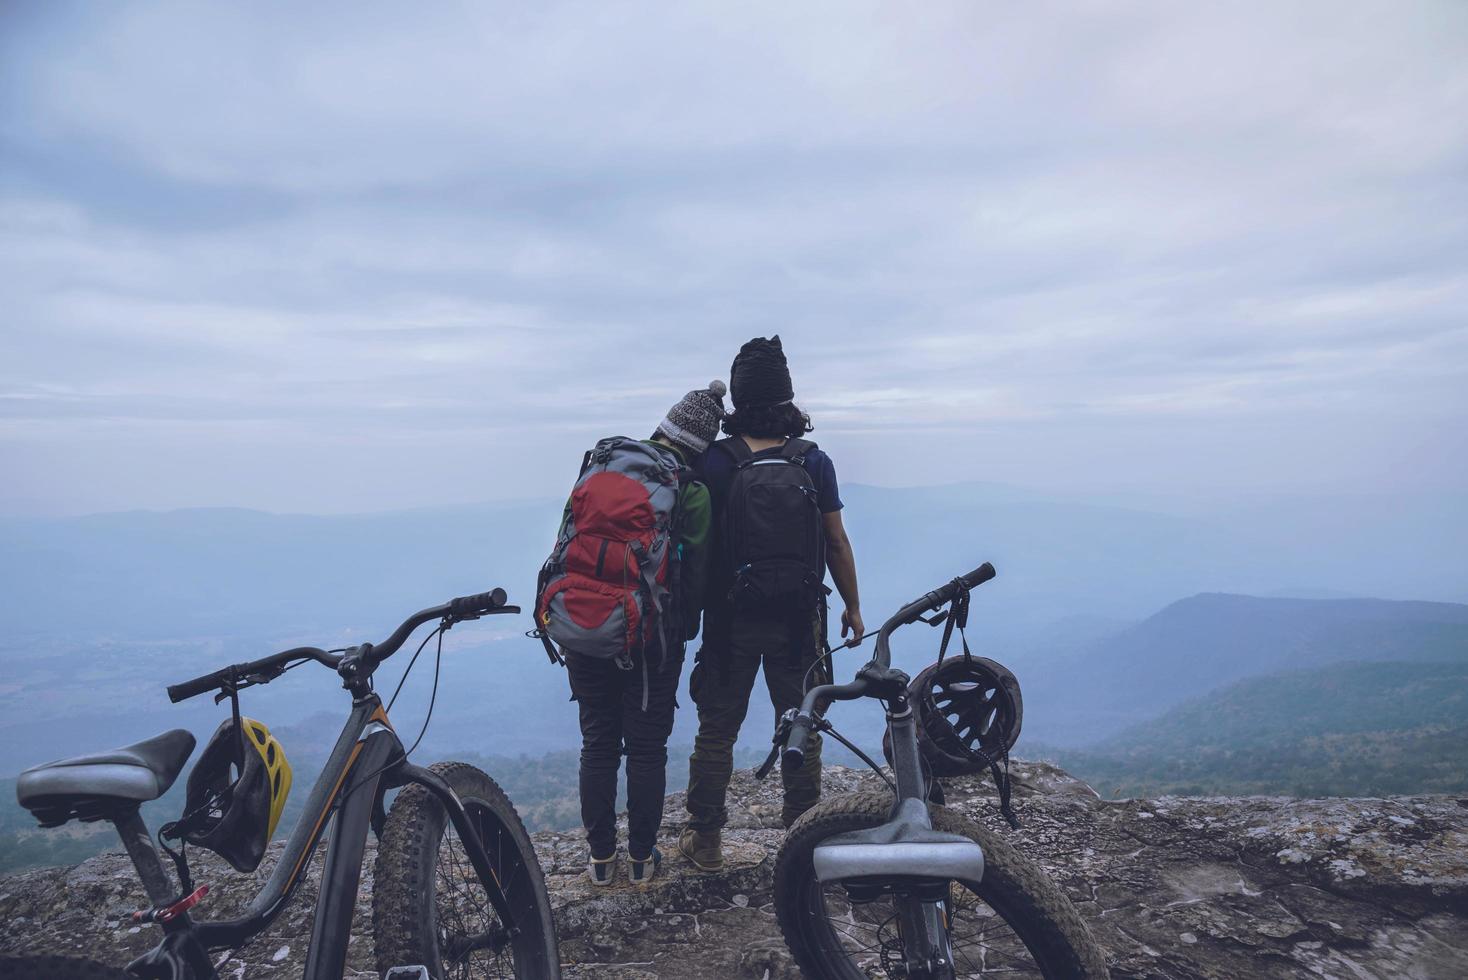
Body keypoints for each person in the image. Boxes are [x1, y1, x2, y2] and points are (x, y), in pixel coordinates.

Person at [680, 336, 862, 872]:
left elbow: (697, 544)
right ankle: (803, 832)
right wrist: (853, 606)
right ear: (786, 397)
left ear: (737, 398)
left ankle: (707, 839)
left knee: (717, 728)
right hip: (798, 620)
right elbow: (835, 541)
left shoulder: (715, 461)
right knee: (801, 722)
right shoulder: (813, 461)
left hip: (730, 618)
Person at [543, 382, 723, 885]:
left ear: (663, 427)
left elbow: (565, 541)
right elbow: (698, 574)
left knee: (596, 741)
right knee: (646, 749)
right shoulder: (690, 491)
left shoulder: (601, 466)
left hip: (583, 624)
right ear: (700, 446)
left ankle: (600, 860)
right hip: (651, 639)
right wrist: (684, 633)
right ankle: (642, 859)